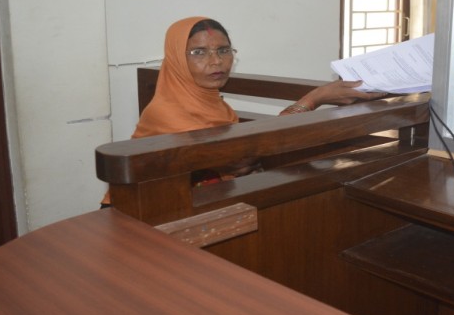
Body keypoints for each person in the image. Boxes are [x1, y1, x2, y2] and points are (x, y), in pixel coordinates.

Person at [102, 16, 384, 206]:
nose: (216, 61)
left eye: (224, 50)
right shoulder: (166, 111)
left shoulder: (212, 102)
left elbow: (246, 148)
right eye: (199, 52)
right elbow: (243, 157)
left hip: (192, 203)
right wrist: (315, 97)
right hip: (143, 212)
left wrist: (317, 97)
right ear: (176, 59)